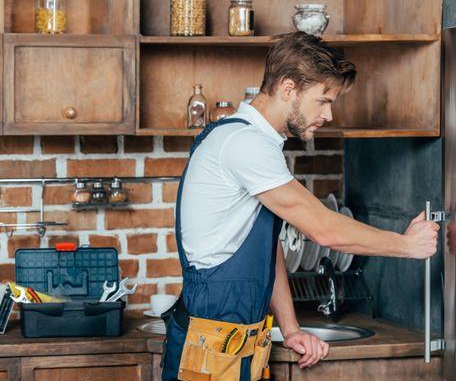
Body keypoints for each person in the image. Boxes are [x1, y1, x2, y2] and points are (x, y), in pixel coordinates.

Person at [162, 31, 439, 381]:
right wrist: (406, 245)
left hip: (232, 350)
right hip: (208, 354)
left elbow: (266, 249)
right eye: (323, 100)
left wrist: (290, 329)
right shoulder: (245, 143)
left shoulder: (255, 142)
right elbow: (324, 229)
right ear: (288, 88)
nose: (329, 115)